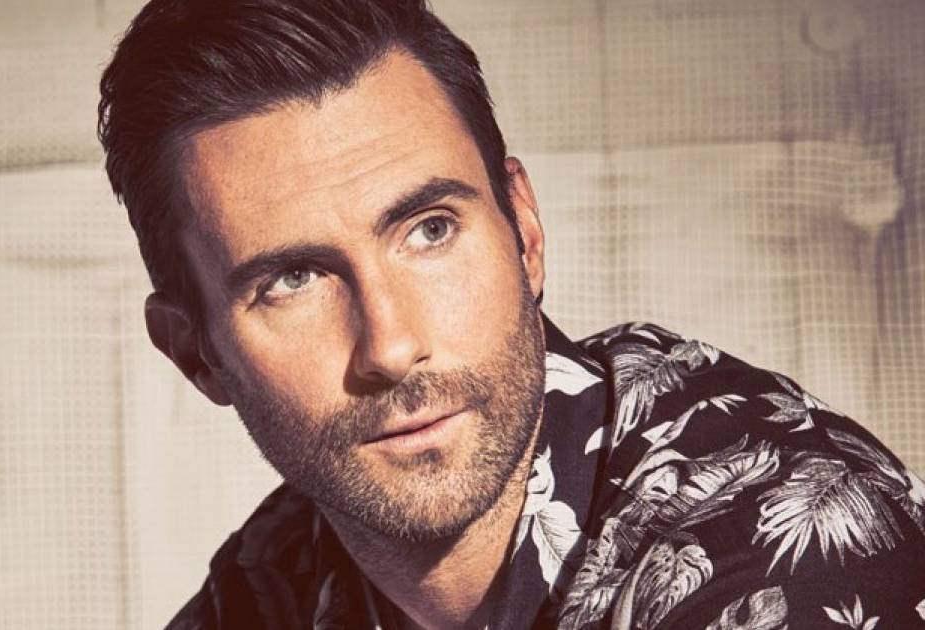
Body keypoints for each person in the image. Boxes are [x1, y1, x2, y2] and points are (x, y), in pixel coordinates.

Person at [97, 1, 925, 627]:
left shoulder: (788, 550)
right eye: (293, 279)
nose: (392, 345)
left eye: (430, 230)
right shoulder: (274, 579)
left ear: (523, 230)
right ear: (196, 353)